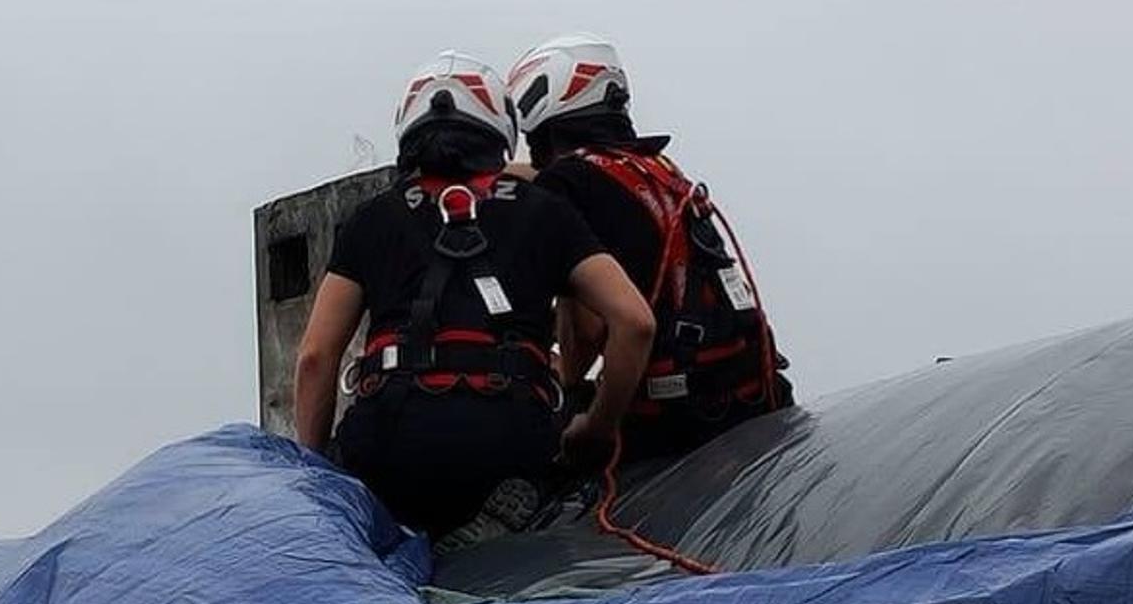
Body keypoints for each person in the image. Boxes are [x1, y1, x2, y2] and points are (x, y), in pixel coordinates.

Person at [292, 50, 654, 539]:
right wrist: (597, 428)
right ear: (499, 126)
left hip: (388, 437)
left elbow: (315, 357)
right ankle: (511, 519)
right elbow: (635, 321)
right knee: (562, 489)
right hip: (511, 438)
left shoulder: (373, 218)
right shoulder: (545, 211)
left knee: (361, 490)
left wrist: (315, 479)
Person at [506, 34, 794, 463]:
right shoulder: (654, 169)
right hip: (749, 394)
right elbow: (564, 178)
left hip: (671, 419)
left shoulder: (565, 188)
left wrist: (581, 406)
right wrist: (494, 173)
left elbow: (587, 331)